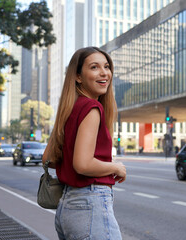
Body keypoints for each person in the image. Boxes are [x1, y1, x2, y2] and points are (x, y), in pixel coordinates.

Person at [42, 47, 126, 240]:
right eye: (94, 67)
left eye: (106, 66)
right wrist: (116, 167)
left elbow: (48, 159)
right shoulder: (92, 108)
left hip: (67, 206)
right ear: (78, 76)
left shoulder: (70, 108)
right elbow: (83, 164)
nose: (104, 72)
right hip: (90, 204)